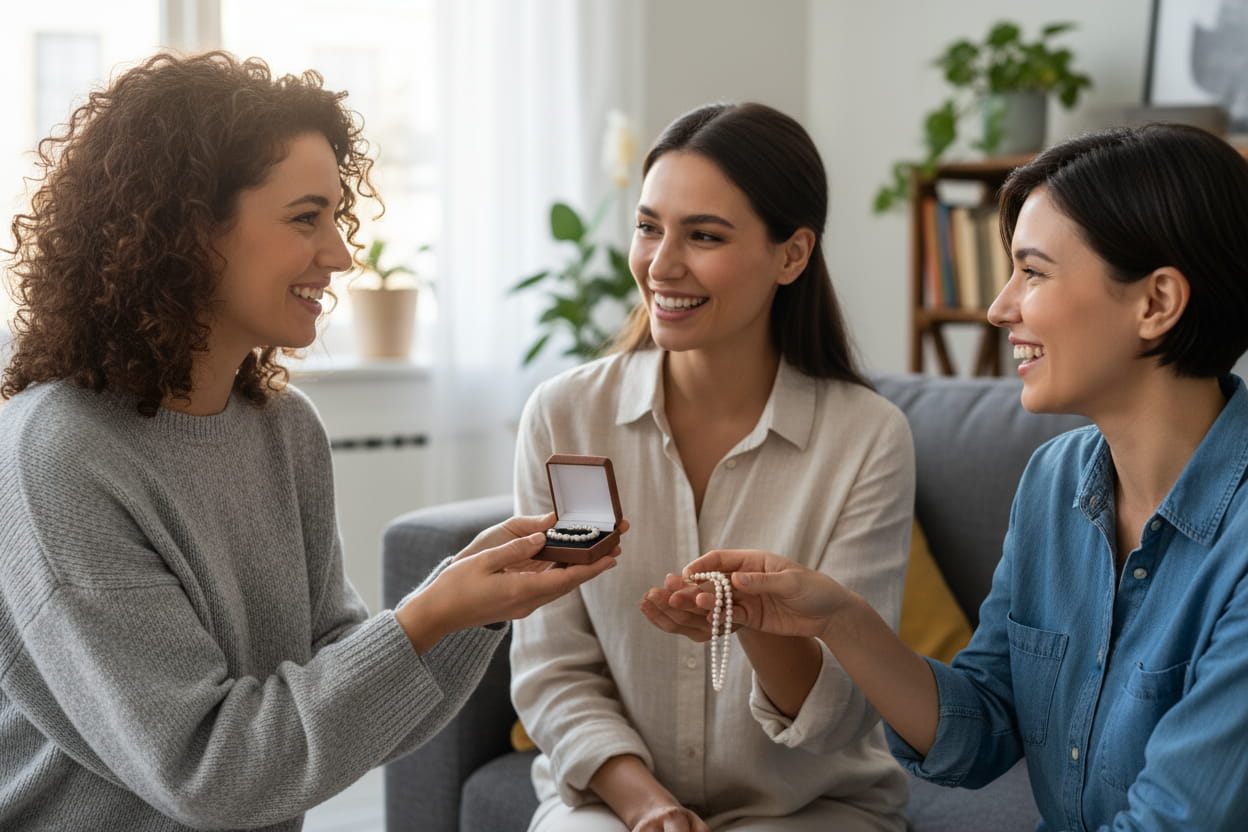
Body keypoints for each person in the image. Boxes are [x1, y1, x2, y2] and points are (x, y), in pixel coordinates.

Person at [0, 51, 618, 830]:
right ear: (188, 229)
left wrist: (467, 606)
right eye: (305, 218)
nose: (340, 253)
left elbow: (347, 701)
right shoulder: (58, 457)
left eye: (336, 215)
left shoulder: (282, 429)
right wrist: (428, 615)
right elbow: (213, 773)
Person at [673, 123, 1248, 831]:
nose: (999, 307)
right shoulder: (1055, 481)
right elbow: (980, 731)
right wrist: (840, 620)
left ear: (1156, 303)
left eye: (1033, 273)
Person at [511, 102, 915, 832]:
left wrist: (757, 621)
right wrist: (649, 807)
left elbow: (844, 712)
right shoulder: (565, 418)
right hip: (614, 802)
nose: (661, 265)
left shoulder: (867, 438)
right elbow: (552, 667)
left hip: (810, 808)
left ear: (791, 255)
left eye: (703, 236)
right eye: (647, 227)